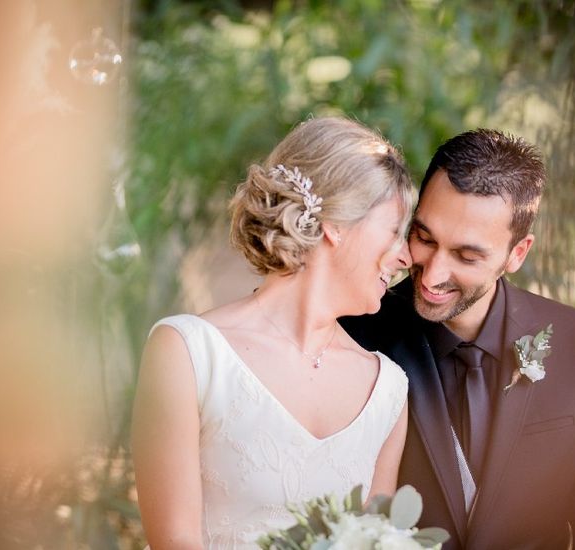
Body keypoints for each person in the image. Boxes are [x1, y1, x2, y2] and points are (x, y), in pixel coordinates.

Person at [341, 129, 575, 549]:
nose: (432, 275)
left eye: (467, 256)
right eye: (424, 238)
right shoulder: (354, 333)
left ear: (517, 254)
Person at [131, 117, 414, 549]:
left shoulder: (388, 389)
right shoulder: (188, 353)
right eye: (395, 232)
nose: (406, 256)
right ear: (336, 225)